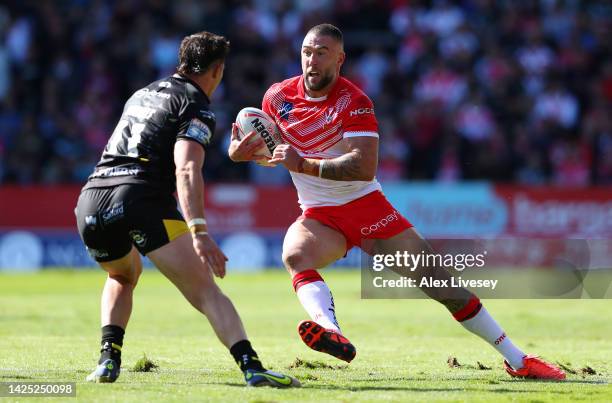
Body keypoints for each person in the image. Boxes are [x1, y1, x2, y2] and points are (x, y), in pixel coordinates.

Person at [228, 24, 566, 380]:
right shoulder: (277, 98)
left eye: (322, 53)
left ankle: (517, 359)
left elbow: (362, 165)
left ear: (340, 59)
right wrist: (240, 153)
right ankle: (331, 331)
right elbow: (274, 152)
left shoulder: (353, 102)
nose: (312, 60)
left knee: (442, 286)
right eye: (307, 51)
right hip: (319, 214)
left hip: (368, 209)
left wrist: (303, 164)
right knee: (295, 256)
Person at [75, 31, 299, 388]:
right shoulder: (196, 104)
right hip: (140, 198)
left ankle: (107, 360)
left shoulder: (142, 93)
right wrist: (200, 232)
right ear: (218, 69)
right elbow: (186, 168)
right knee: (206, 291)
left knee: (122, 275)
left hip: (92, 199)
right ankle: (252, 367)